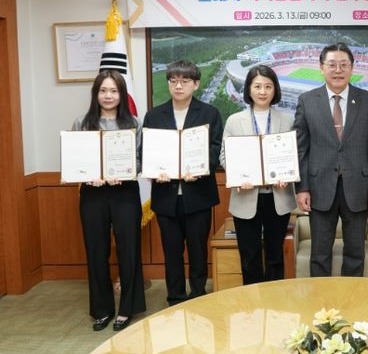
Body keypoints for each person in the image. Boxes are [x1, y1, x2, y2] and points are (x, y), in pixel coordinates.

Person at [293, 42, 368, 277]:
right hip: (319, 187)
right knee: (319, 253)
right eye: (332, 64)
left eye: (344, 65)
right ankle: (321, 299)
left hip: (359, 187)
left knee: (355, 253)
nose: (338, 70)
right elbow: (300, 148)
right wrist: (302, 188)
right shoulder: (307, 100)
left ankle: (351, 297)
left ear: (352, 68)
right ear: (321, 68)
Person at [142, 60, 223, 305]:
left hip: (198, 194)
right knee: (172, 251)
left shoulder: (209, 113)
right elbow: (147, 152)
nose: (178, 86)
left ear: (196, 84)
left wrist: (200, 170)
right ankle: (175, 298)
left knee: (198, 250)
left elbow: (215, 149)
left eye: (185, 81)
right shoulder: (154, 116)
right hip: (166, 195)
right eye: (173, 81)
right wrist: (155, 171)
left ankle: (198, 295)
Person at [73, 70, 146, 332]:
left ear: (122, 94)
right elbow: (75, 159)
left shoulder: (134, 123)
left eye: (114, 91)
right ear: (96, 93)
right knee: (96, 250)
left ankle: (127, 308)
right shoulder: (83, 122)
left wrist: (125, 173)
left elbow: (141, 159)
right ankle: (102, 310)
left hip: (124, 193)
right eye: (103, 90)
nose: (108, 96)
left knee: (129, 249)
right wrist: (87, 175)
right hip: (92, 194)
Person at [219, 65, 296, 284]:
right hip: (246, 196)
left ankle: (272, 299)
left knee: (275, 256)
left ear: (275, 90)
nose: (263, 92)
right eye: (257, 86)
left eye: (268, 86)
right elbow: (224, 155)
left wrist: (287, 175)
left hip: (277, 197)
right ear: (249, 89)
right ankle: (251, 299)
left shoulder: (287, 120)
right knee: (249, 256)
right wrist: (238, 176)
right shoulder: (234, 120)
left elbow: (293, 155)